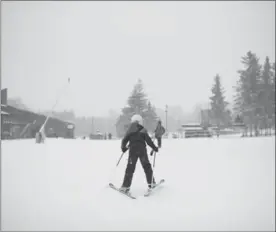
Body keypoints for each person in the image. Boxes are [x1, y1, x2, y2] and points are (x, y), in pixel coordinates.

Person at [120, 114, 159, 193]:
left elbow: (124, 140)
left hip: (133, 151)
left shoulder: (130, 129)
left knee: (130, 168)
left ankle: (125, 186)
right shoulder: (143, 129)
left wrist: (123, 148)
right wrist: (154, 147)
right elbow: (148, 141)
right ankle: (151, 183)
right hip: (142, 151)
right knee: (146, 166)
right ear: (140, 121)